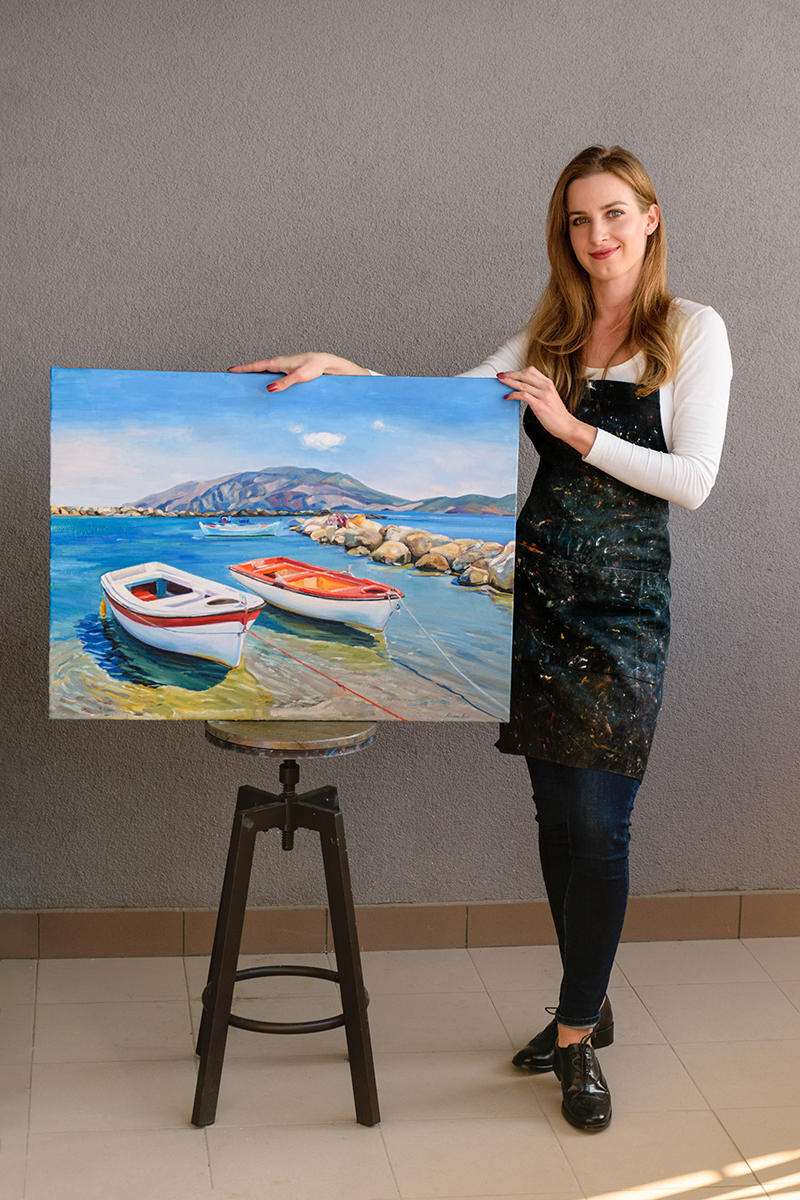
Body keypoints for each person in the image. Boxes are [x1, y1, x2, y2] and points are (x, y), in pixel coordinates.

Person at [229, 145, 732, 1133]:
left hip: (621, 611)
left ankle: (577, 1036)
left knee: (600, 824)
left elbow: (694, 479)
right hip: (536, 598)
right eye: (580, 221)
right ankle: (579, 1010)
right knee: (555, 816)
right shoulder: (547, 334)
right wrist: (341, 372)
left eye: (614, 215)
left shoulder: (692, 331)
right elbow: (441, 405)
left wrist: (571, 426)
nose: (597, 237)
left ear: (650, 218)